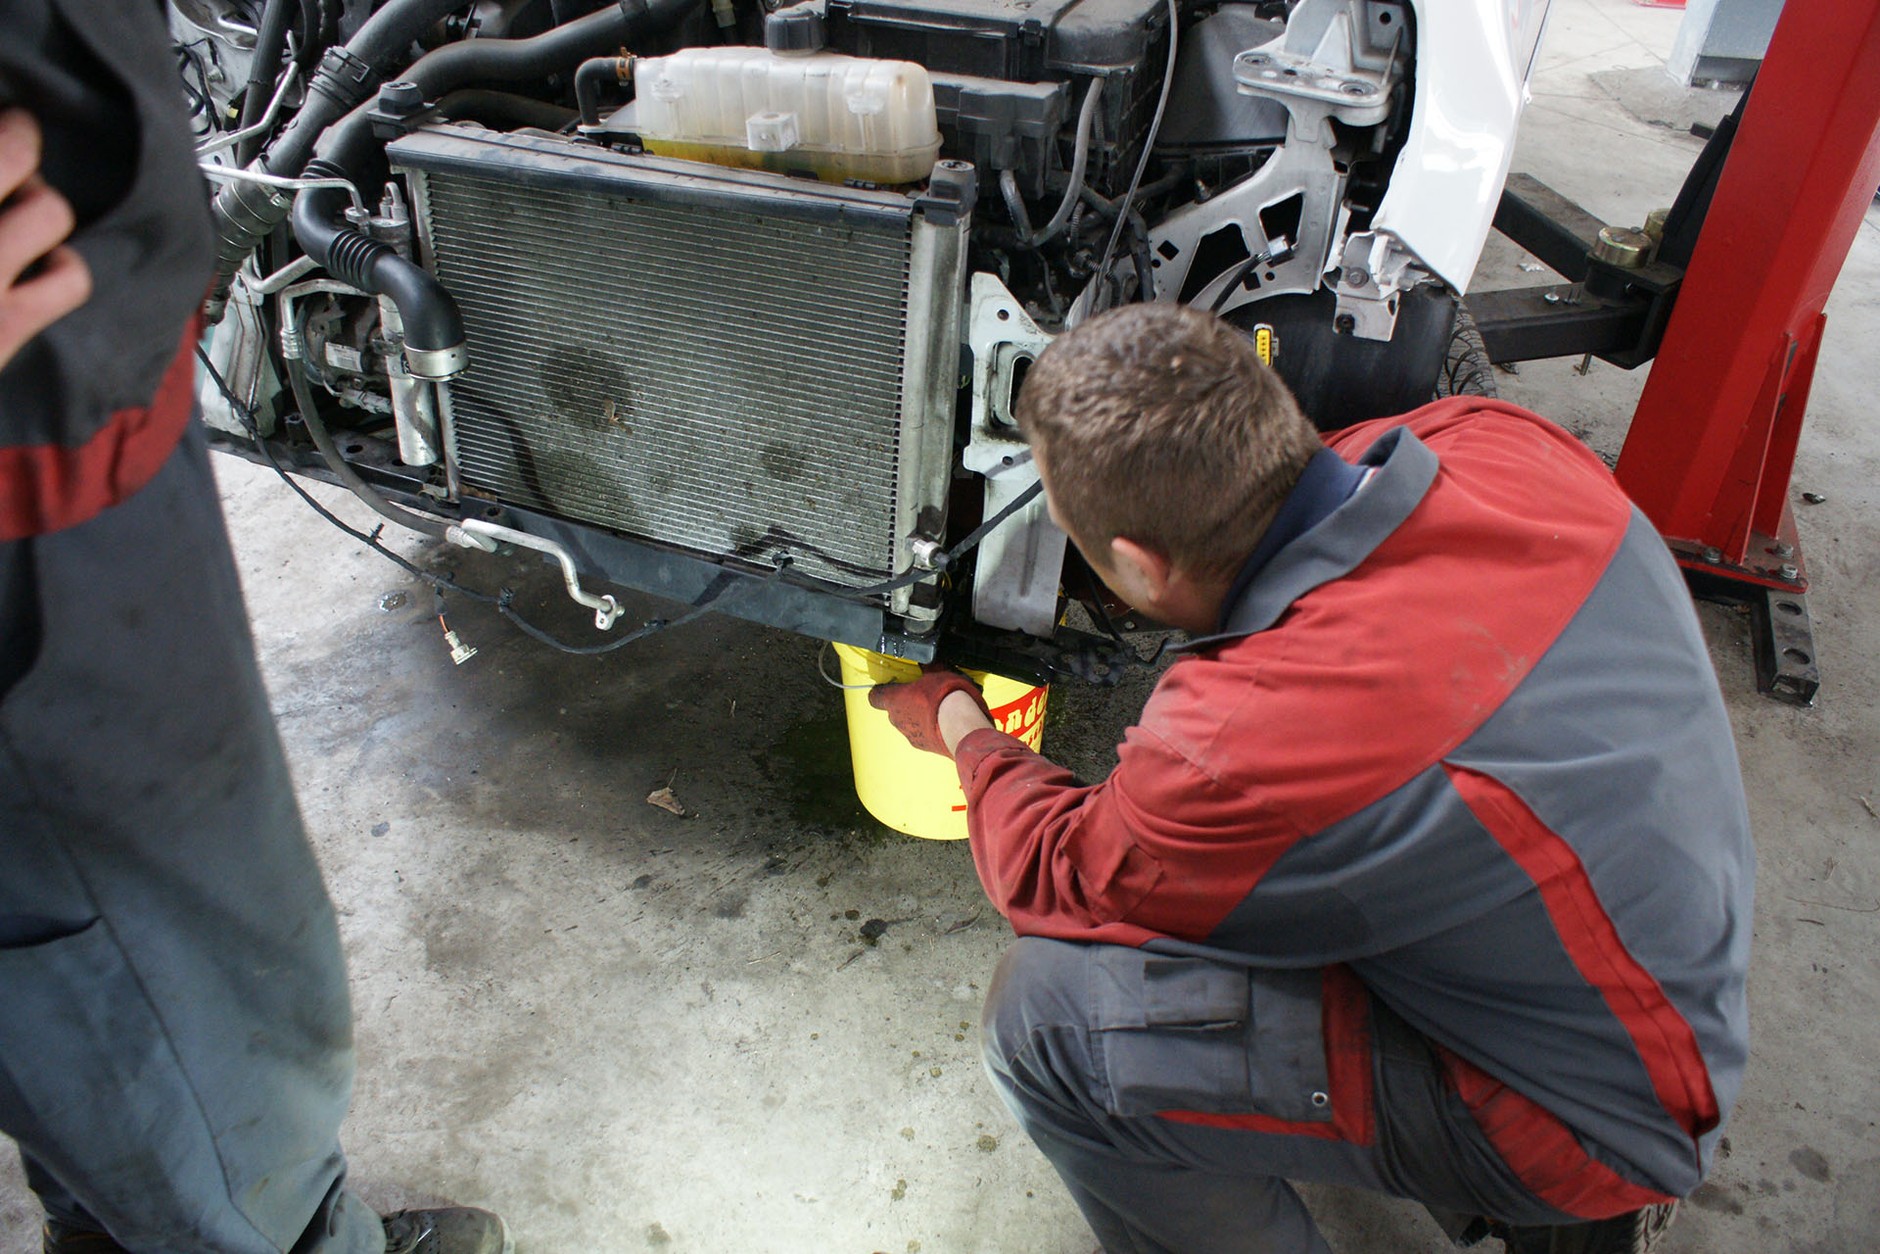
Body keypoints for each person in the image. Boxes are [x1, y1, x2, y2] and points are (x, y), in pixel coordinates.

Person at [870, 302, 1754, 1254]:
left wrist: (958, 721)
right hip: (1661, 987)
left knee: (1047, 1027)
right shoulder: (1493, 439)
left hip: (1594, 1126)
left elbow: (1054, 874)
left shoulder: (1243, 744)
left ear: (1135, 564)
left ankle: (1549, 1196)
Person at [0, 3, 507, 1251]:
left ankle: (115, 1218)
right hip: (40, 482)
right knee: (191, 981)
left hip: (88, 397)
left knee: (87, 992)